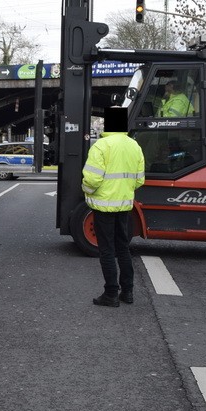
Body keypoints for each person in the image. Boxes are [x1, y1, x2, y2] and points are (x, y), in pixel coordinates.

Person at [84, 107, 146, 307]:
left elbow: (92, 179)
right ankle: (127, 292)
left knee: (107, 251)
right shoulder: (134, 146)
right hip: (124, 206)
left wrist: (86, 190)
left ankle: (111, 294)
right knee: (123, 249)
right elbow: (139, 180)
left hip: (103, 207)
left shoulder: (101, 146)